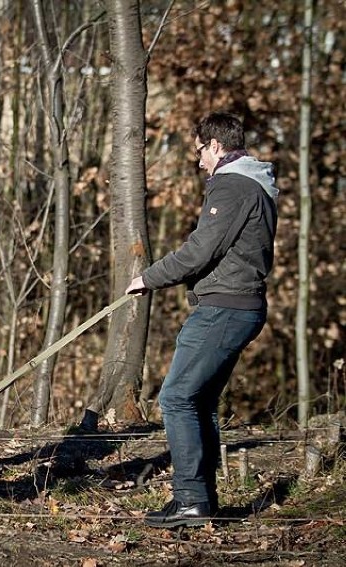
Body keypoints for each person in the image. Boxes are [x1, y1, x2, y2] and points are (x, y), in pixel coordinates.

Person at [126, 112, 278, 528]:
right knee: (200, 403)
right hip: (239, 305)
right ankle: (201, 500)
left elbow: (200, 250)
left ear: (215, 145)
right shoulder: (254, 186)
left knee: (175, 399)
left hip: (224, 308)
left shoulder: (233, 186)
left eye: (199, 151)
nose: (198, 162)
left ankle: (191, 499)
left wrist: (148, 278)